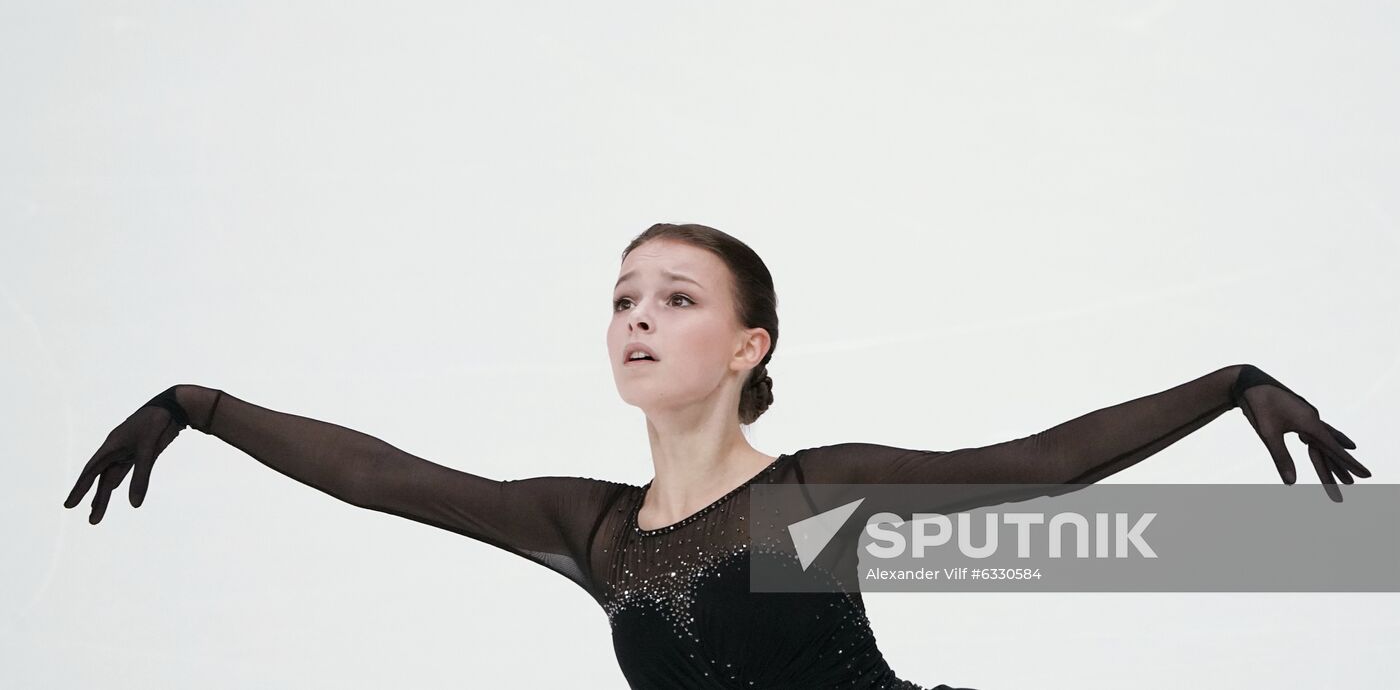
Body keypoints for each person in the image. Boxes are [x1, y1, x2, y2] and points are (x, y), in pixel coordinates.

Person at [63, 222, 1371, 689]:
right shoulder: (597, 532)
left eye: (676, 297)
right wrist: (204, 403)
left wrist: (1233, 384)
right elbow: (392, 476)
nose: (637, 314)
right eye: (625, 294)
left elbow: (1034, 463)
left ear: (750, 344)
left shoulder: (811, 496)